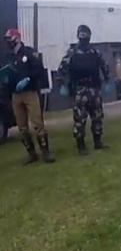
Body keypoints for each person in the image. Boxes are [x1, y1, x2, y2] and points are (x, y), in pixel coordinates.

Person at [3, 28, 55, 164]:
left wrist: (28, 79)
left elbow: (38, 69)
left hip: (30, 92)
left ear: (17, 38)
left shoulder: (29, 53)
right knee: (22, 126)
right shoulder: (8, 57)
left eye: (10, 39)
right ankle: (31, 154)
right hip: (15, 94)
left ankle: (46, 152)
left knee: (37, 123)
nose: (9, 42)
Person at [58, 25, 112, 156]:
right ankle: (81, 146)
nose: (84, 38)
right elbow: (61, 70)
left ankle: (98, 142)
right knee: (79, 119)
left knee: (97, 116)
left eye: (85, 36)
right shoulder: (72, 53)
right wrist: (62, 85)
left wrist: (107, 81)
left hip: (94, 89)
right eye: (82, 36)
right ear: (78, 36)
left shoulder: (94, 52)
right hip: (79, 90)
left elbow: (104, 67)